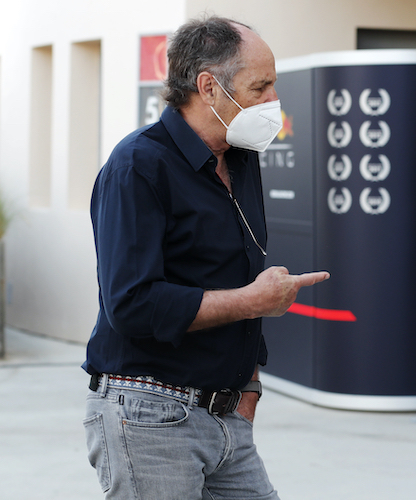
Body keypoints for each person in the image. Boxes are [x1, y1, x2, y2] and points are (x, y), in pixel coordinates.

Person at [82, 16, 329, 499]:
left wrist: (249, 388)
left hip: (226, 418)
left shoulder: (240, 158)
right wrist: (252, 301)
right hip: (148, 413)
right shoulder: (138, 165)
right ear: (209, 87)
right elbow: (132, 305)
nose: (273, 101)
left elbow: (234, 273)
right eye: (261, 87)